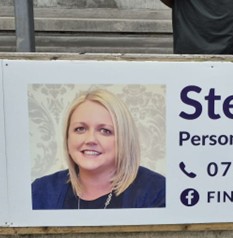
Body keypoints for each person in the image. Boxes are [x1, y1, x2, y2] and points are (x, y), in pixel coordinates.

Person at [31, 89, 165, 209]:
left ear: (124, 138)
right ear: (67, 137)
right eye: (80, 129)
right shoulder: (41, 191)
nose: (90, 140)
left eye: (105, 131)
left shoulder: (157, 191)